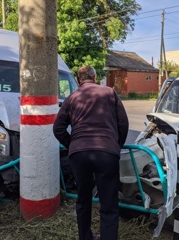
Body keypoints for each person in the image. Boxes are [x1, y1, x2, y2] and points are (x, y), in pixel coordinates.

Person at [53, 66, 129, 240]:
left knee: (83, 199)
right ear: (94, 77)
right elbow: (123, 123)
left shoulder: (72, 98)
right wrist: (116, 145)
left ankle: (85, 237)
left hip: (79, 155)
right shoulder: (110, 93)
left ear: (79, 80)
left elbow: (58, 128)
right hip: (107, 152)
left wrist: (72, 144)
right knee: (109, 203)